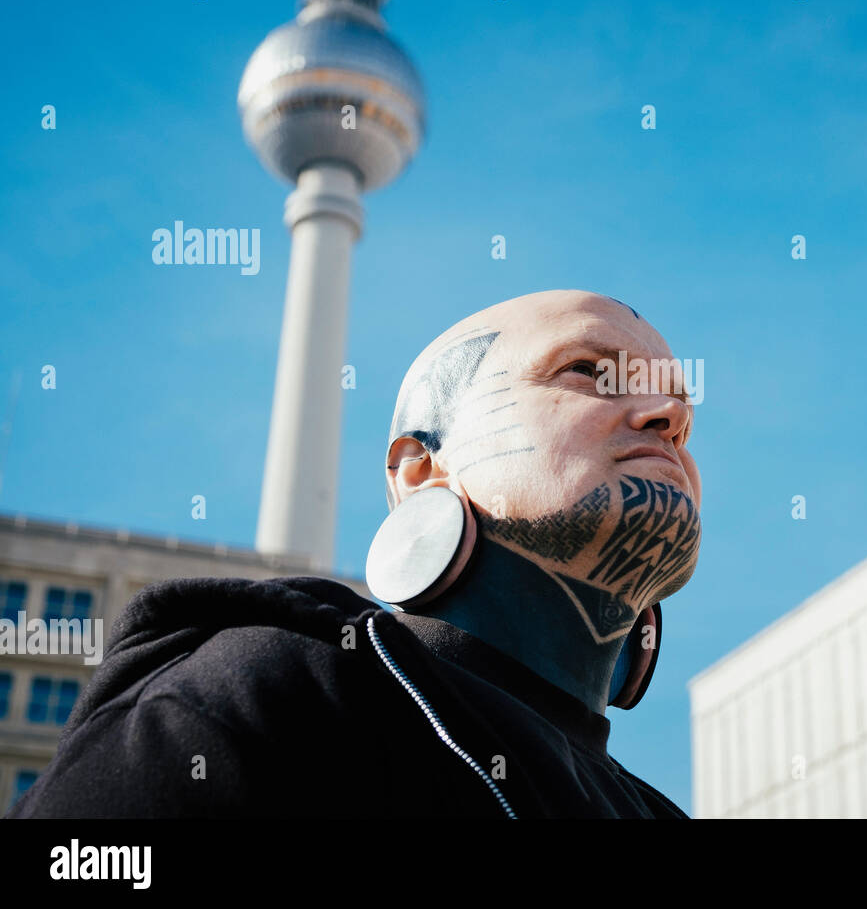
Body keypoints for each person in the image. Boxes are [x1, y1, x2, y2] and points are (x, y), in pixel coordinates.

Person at [7, 290, 701, 818]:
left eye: (683, 416)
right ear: (419, 470)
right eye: (586, 371)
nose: (666, 419)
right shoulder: (266, 691)